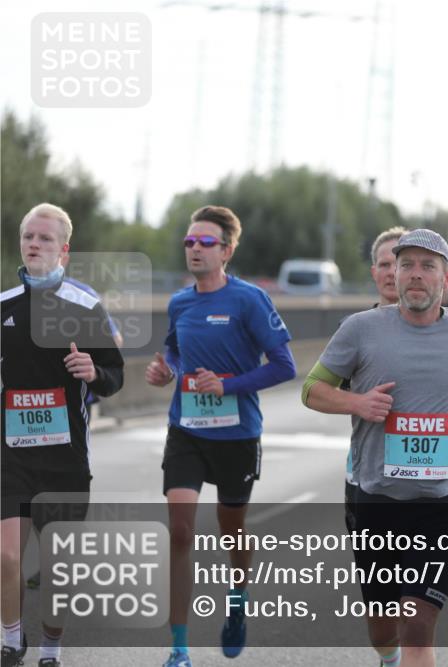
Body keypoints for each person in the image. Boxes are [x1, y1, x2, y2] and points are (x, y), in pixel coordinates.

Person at [302, 229, 448, 667]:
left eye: (427, 266)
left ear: (445, 278)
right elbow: (311, 389)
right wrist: (357, 403)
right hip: (377, 501)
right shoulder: (360, 329)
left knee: (418, 622)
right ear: (394, 274)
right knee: (382, 628)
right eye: (407, 265)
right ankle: (388, 657)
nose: (416, 274)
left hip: (441, 502)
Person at [144, 205, 296, 667]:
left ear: (226, 251)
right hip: (186, 430)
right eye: (189, 241)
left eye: (205, 242)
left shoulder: (249, 300)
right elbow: (174, 349)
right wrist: (166, 369)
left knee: (232, 529)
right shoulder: (179, 302)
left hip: (237, 435)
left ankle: (238, 596)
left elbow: (284, 366)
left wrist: (227, 386)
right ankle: (179, 649)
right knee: (180, 530)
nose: (194, 248)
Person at [2, 203, 125, 667]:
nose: (34, 244)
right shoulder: (3, 305)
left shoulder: (84, 307)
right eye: (28, 236)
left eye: (45, 238)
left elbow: (114, 377)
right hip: (11, 456)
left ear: (64, 250)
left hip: (64, 460)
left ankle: (51, 648)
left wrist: (93, 371)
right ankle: (10, 640)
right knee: (7, 557)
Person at [342, 227, 409, 531]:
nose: (392, 272)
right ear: (374, 272)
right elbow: (318, 390)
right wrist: (358, 402)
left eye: (400, 263)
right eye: (384, 264)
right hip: (365, 473)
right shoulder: (353, 329)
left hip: (429, 477)